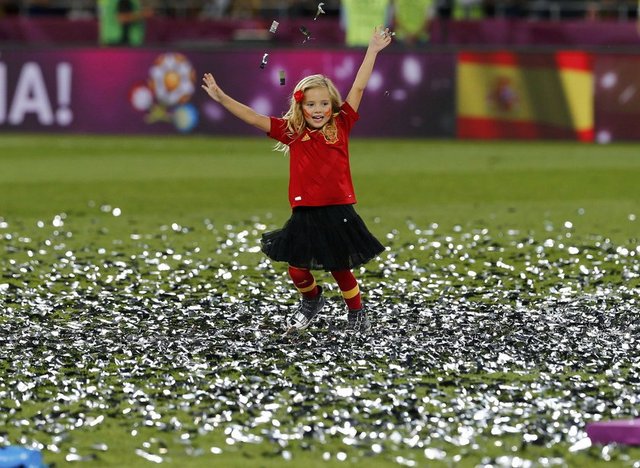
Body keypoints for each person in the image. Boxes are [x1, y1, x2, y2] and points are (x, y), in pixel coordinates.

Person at [201, 26, 393, 333]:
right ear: (300, 107)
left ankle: (357, 313)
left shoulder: (341, 124)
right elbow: (253, 117)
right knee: (296, 269)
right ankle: (312, 299)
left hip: (338, 208)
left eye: (324, 104)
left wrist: (372, 50)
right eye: (311, 104)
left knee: (340, 267)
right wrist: (222, 98)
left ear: (332, 105)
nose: (318, 110)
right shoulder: (292, 131)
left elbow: (357, 88)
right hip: (304, 211)